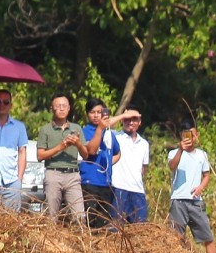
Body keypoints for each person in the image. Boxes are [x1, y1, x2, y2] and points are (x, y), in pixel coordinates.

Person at [167, 121, 216, 253]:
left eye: (193, 135)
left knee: (207, 235)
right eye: (187, 135)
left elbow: (206, 175)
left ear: (197, 136)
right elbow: (172, 166)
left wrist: (201, 187)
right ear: (182, 136)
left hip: (196, 201)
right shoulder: (174, 153)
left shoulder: (202, 155)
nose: (191, 138)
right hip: (178, 200)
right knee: (175, 236)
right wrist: (180, 149)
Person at [36, 93, 86, 224]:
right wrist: (61, 147)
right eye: (58, 106)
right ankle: (49, 236)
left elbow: (86, 154)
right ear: (52, 108)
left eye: (64, 106)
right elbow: (40, 156)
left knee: (79, 216)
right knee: (50, 215)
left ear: (69, 108)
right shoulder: (45, 130)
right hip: (53, 173)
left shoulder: (76, 128)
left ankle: (79, 236)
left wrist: (78, 144)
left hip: (73, 174)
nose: (61, 109)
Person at [78, 99, 120, 229]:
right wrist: (100, 129)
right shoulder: (85, 131)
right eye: (92, 112)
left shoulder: (109, 133)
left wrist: (107, 164)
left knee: (103, 223)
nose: (96, 115)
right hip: (90, 182)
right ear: (87, 114)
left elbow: (117, 153)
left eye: (99, 112)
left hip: (106, 183)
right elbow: (91, 150)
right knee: (90, 221)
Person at [110, 108, 149, 225]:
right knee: (115, 226)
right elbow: (103, 126)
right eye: (127, 119)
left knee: (140, 228)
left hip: (138, 190)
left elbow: (144, 168)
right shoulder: (115, 136)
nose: (130, 122)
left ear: (139, 122)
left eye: (134, 119)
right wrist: (123, 115)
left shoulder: (144, 143)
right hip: (118, 188)